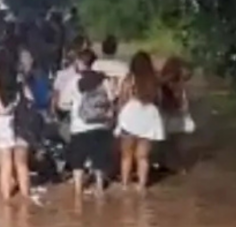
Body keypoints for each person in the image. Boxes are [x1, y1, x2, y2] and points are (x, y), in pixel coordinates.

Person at [0, 50, 32, 202]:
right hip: (18, 122)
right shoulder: (20, 84)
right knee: (21, 162)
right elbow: (30, 100)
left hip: (0, 122)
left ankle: (6, 198)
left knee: (5, 162)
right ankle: (25, 197)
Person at [67, 49, 116, 200]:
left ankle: (78, 191)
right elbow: (112, 99)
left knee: (78, 161)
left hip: (79, 125)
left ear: (79, 63)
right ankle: (99, 188)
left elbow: (63, 102)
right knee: (99, 159)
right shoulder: (104, 79)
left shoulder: (74, 80)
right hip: (101, 125)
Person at [116, 51, 166, 192]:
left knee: (126, 155)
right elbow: (159, 100)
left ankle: (125, 184)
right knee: (143, 157)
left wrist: (118, 115)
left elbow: (122, 99)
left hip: (130, 115)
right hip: (149, 115)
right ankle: (141, 186)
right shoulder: (154, 81)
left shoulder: (129, 79)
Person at [159, 56, 195, 172]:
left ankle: (167, 163)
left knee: (168, 141)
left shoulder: (166, 81)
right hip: (175, 113)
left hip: (168, 113)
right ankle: (179, 165)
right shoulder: (175, 82)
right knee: (178, 142)